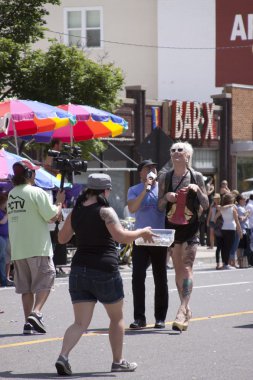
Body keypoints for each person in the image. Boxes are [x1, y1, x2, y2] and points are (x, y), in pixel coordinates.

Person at [55, 173, 156, 376]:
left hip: (79, 269)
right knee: (116, 317)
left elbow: (62, 238)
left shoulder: (76, 212)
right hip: (104, 269)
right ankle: (118, 361)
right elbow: (121, 237)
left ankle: (63, 356)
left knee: (80, 323)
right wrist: (141, 232)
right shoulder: (105, 211)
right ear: (105, 190)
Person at [7, 160, 65, 334]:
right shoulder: (36, 192)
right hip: (37, 247)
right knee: (46, 281)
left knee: (26, 289)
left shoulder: (11, 194)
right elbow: (52, 216)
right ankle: (36, 313)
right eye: (34, 172)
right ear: (29, 174)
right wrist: (60, 202)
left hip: (18, 249)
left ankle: (28, 324)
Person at [158, 141, 209, 332]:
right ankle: (186, 309)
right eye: (173, 150)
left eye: (180, 150)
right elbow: (159, 205)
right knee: (178, 268)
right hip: (171, 227)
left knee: (187, 266)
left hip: (191, 227)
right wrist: (167, 198)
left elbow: (206, 204)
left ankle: (181, 309)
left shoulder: (196, 176)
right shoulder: (166, 177)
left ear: (188, 155)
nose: (176, 153)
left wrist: (198, 191)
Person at [127, 159, 168, 329]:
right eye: (148, 168)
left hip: (159, 237)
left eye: (154, 167)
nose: (152, 170)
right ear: (141, 173)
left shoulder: (163, 188)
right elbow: (132, 208)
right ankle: (139, 318)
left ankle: (160, 318)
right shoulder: (134, 190)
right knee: (137, 277)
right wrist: (146, 189)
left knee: (160, 278)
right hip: (141, 236)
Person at [214, 193, 242, 270]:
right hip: (231, 229)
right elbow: (237, 221)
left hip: (224, 228)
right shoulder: (233, 209)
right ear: (231, 200)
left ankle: (224, 264)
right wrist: (240, 231)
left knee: (224, 247)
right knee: (228, 247)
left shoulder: (222, 208)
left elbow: (215, 218)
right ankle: (226, 264)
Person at [0, 193, 13, 287]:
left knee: (7, 259)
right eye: (6, 203)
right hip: (1, 237)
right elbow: (2, 222)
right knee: (2, 258)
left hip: (7, 237)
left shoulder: (4, 212)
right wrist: (8, 214)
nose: (7, 205)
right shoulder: (2, 213)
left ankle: (6, 278)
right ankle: (3, 279)